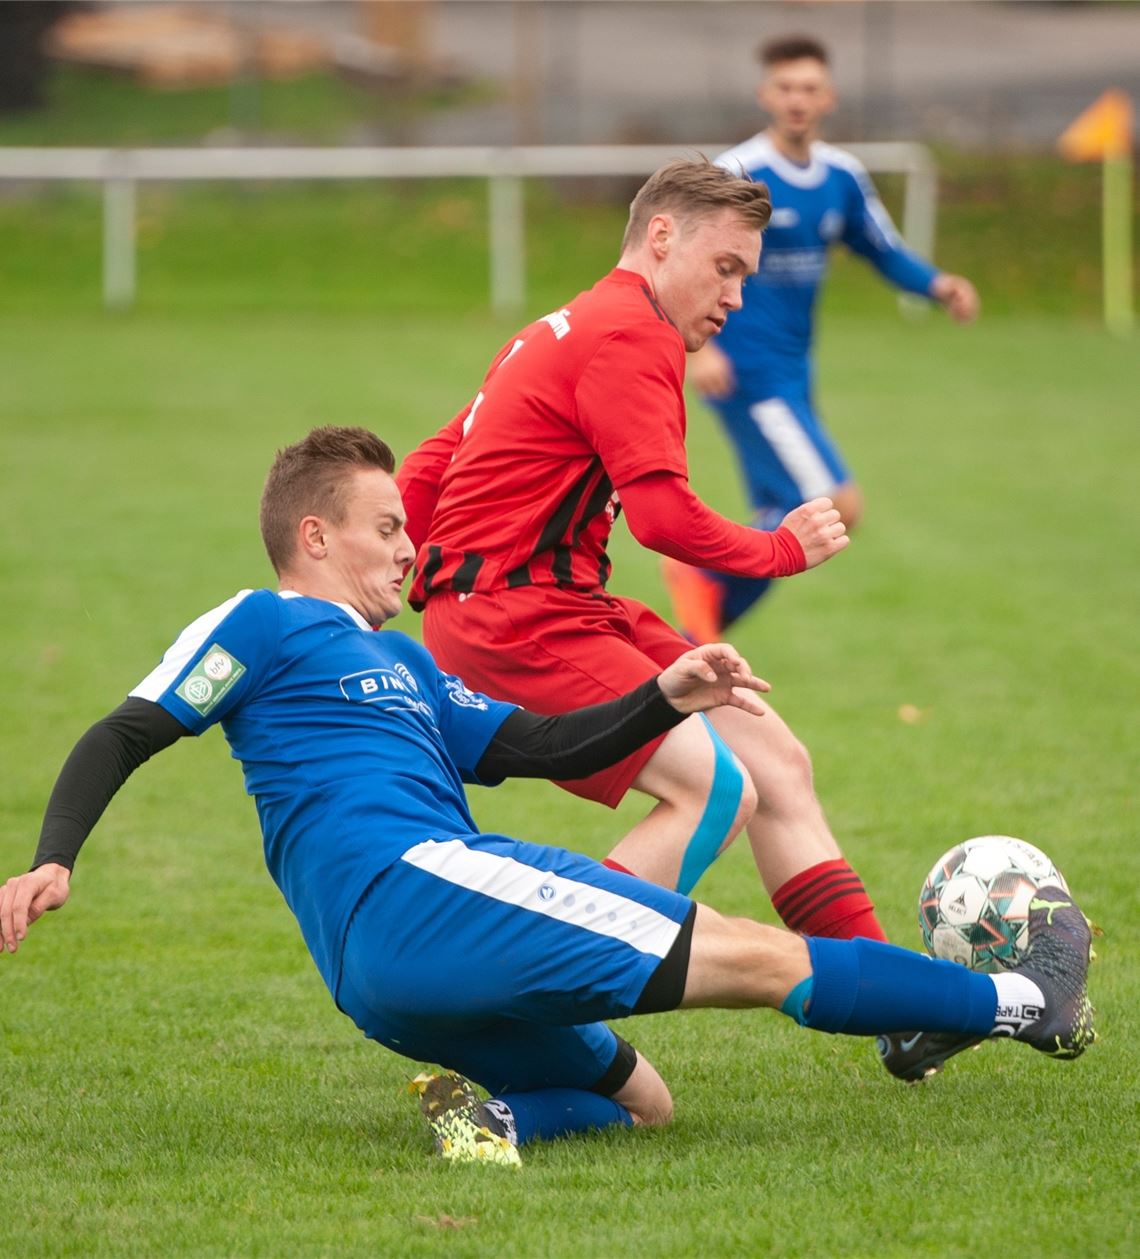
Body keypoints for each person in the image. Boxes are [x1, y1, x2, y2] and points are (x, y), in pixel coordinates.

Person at [0, 427, 1097, 1167]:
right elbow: (130, 725)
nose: (407, 546)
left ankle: (490, 1119)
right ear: (315, 537)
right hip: (425, 888)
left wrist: (664, 696)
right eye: (387, 528)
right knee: (763, 958)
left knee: (646, 1103)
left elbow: (535, 742)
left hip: (382, 979)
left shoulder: (414, 665)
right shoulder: (262, 621)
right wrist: (57, 853)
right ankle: (1022, 1002)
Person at [397, 156, 887, 946]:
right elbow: (662, 519)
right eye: (724, 267)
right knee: (717, 792)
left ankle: (894, 1000)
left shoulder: (563, 323)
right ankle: (539, 987)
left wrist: (386, 590)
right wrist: (780, 548)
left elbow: (429, 466)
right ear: (661, 236)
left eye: (746, 275)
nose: (735, 297)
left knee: (775, 761)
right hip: (519, 617)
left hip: (557, 605)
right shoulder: (633, 333)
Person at [662, 34, 981, 643]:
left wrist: (939, 285)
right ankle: (699, 585)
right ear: (766, 95)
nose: (797, 99)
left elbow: (881, 249)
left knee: (783, 516)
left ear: (828, 97)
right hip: (745, 369)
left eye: (809, 88)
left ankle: (695, 630)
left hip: (795, 372)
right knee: (834, 503)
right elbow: (679, 258)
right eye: (785, 88)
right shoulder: (738, 172)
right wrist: (699, 350)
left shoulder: (842, 176)